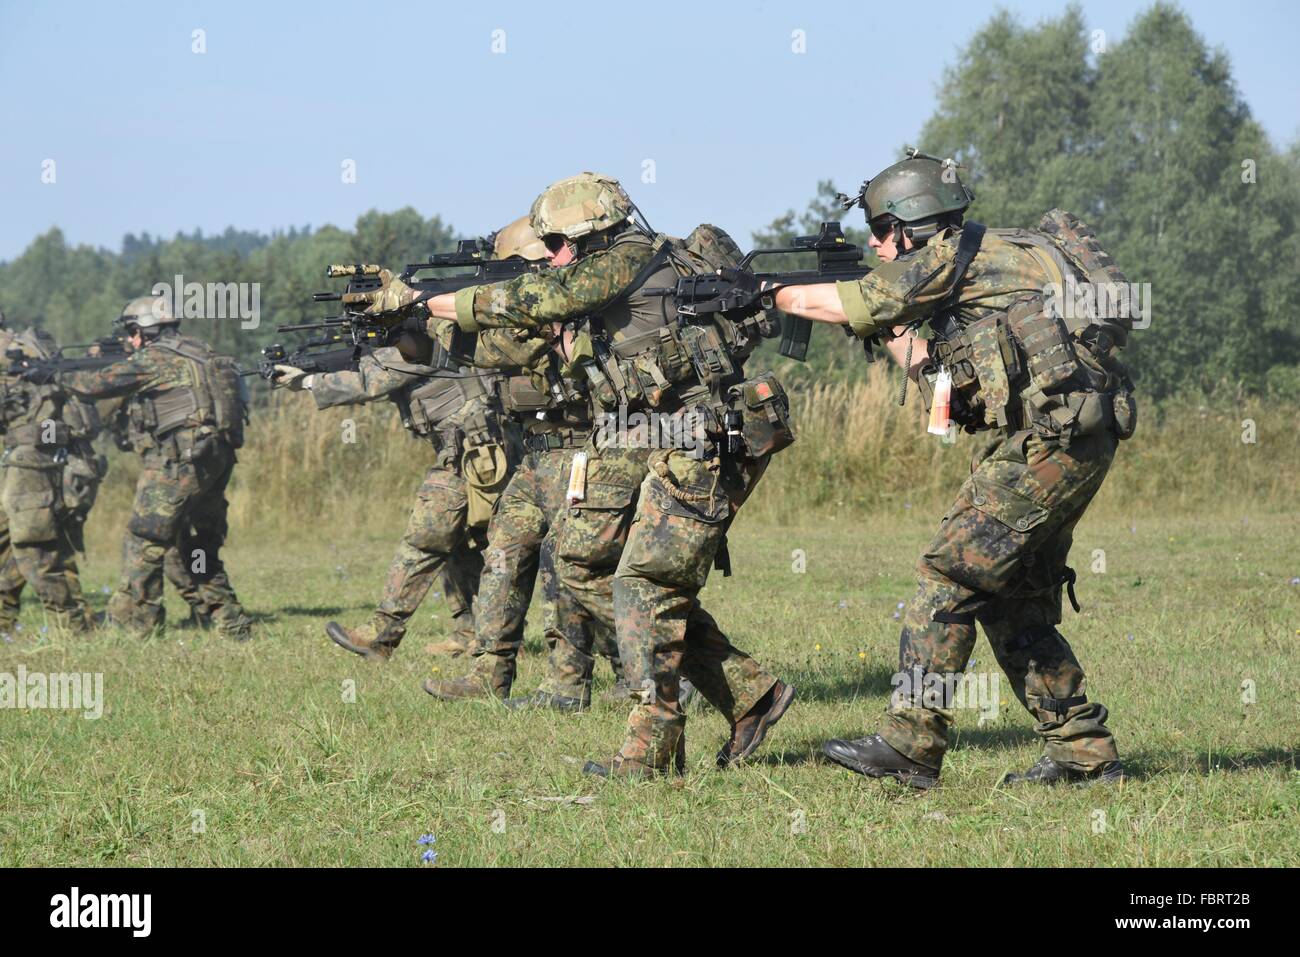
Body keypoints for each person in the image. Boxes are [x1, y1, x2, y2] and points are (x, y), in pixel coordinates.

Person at [362, 173, 796, 778]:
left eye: (558, 245)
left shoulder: (627, 260)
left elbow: (531, 300)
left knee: (645, 580)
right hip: (642, 433)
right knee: (580, 561)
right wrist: (419, 329)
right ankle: (748, 690)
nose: (551, 260)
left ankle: (653, 744)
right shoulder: (606, 273)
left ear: (590, 234)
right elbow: (507, 343)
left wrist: (418, 299)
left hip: (696, 434)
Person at [772, 150, 1134, 787]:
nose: (876, 245)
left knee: (946, 577)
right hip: (1071, 435)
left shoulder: (944, 255)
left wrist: (775, 295)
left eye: (880, 231)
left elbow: (844, 302)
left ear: (908, 224)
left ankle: (911, 744)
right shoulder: (997, 253)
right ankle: (1082, 751)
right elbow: (935, 372)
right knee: (1009, 598)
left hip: (1049, 443)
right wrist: (885, 327)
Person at [422, 216, 625, 707]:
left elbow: (500, 349)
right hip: (537, 455)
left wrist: (431, 313)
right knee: (503, 556)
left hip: (582, 451)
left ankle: (590, 680)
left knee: (570, 569)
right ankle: (488, 671)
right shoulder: (525, 308)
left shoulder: (566, 305)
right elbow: (479, 351)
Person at [273, 328, 522, 662]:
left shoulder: (418, 338)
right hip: (468, 449)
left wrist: (306, 382)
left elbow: (370, 381)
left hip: (475, 451)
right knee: (456, 544)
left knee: (425, 537)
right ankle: (470, 633)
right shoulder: (418, 335)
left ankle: (381, 634)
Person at [44, 295, 254, 640]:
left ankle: (139, 622)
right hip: (215, 460)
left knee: (144, 541)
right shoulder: (201, 351)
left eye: (131, 333)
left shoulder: (154, 358)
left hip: (179, 461)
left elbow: (92, 386)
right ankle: (230, 621)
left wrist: (54, 374)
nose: (129, 341)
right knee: (196, 546)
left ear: (141, 331)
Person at [0, 310, 102, 633]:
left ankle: (72, 627)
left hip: (28, 463)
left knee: (35, 549)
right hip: (47, 457)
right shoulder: (28, 346)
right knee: (20, 543)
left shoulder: (11, 354)